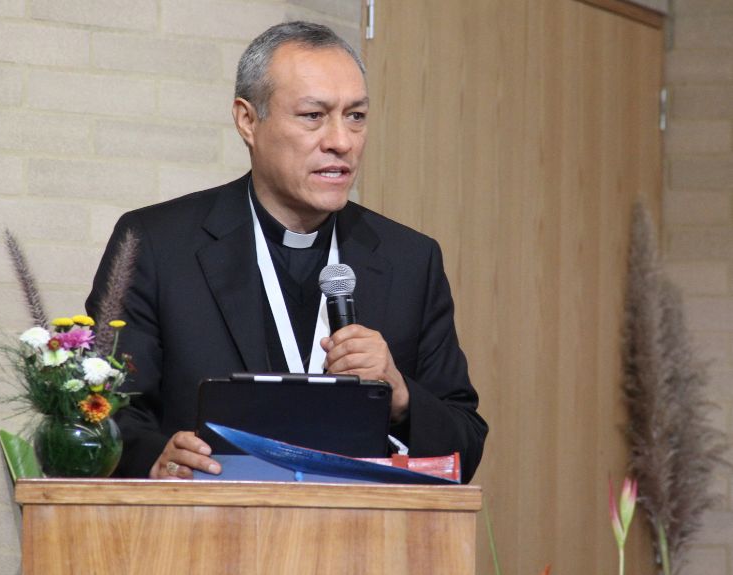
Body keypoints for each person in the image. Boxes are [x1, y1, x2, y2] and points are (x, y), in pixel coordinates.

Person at [87, 21, 487, 482]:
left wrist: (401, 398)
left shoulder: (410, 260)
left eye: (356, 116)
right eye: (313, 115)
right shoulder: (157, 244)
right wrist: (157, 459)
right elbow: (101, 413)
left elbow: (466, 443)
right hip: (203, 519)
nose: (341, 141)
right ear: (247, 120)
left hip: (358, 526)